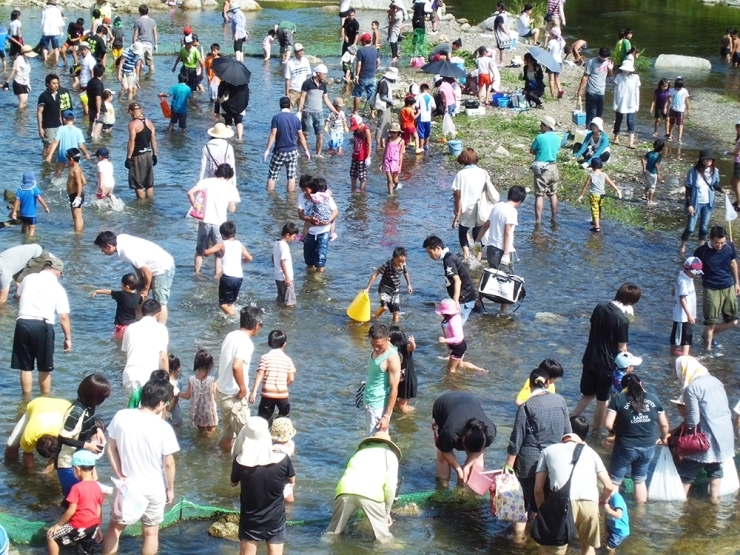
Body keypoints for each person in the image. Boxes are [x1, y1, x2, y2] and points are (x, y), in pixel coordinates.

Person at [100, 380, 179, 555]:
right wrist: (170, 489)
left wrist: (120, 474)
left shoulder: (121, 416)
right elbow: (168, 463)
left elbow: (111, 448)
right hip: (154, 488)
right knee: (151, 532)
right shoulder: (163, 428)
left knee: (115, 528)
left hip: (128, 486)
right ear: (159, 403)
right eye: (166, 402)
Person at [505, 368, 571, 542]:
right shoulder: (561, 401)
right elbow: (568, 434)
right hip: (554, 461)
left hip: (529, 463)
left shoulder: (526, 407)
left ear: (531, 384)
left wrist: (508, 467)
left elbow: (516, 440)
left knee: (522, 504)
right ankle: (540, 538)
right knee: (543, 500)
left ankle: (518, 542)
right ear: (548, 383)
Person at [533, 417, 614, 555]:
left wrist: (544, 512)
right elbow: (609, 486)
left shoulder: (548, 450)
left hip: (562, 502)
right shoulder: (591, 453)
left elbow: (538, 490)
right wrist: (601, 499)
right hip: (590, 502)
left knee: (550, 548)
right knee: (588, 547)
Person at [572, 283, 642, 432]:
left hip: (590, 358)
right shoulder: (622, 320)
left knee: (588, 393)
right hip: (606, 365)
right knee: (602, 401)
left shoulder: (599, 307)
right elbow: (622, 348)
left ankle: (570, 419)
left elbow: (591, 331)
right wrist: (628, 367)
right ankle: (596, 432)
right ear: (631, 302)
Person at [674, 357, 734, 502]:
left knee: (686, 472)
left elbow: (693, 418)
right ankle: (714, 500)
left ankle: (680, 505)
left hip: (705, 439)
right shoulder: (716, 381)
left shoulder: (692, 388)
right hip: (724, 434)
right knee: (715, 469)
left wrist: (682, 431)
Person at [230, 418, 295, 553]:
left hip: (251, 520)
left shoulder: (240, 462)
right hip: (275, 519)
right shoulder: (283, 459)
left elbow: (233, 483)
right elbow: (291, 480)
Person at [605, 372, 669, 503]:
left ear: (623, 387)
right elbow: (664, 424)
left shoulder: (619, 399)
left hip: (625, 446)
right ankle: (640, 514)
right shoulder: (654, 399)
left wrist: (618, 431)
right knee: (640, 481)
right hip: (648, 446)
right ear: (641, 384)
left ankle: (613, 512)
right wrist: (663, 438)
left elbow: (607, 424)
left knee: (615, 482)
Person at [326, 431, 401, 542]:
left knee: (332, 534)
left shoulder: (359, 453)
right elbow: (390, 487)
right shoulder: (390, 455)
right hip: (371, 495)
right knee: (384, 539)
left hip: (345, 491)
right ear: (389, 445)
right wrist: (386, 512)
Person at [11, 256, 71, 395]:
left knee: (25, 367)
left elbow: (18, 296)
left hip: (22, 323)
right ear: (58, 272)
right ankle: (45, 398)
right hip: (42, 325)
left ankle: (25, 400)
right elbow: (63, 317)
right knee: (44, 368)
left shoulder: (29, 278)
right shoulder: (57, 287)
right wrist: (68, 338)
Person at [94, 231, 175, 324]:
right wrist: (140, 278)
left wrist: (146, 288)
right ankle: (136, 322)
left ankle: (161, 329)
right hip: (150, 267)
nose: (102, 252)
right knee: (138, 295)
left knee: (160, 301)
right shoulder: (120, 240)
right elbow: (136, 263)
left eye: (102, 249)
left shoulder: (126, 251)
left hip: (162, 267)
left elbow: (147, 270)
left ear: (109, 246)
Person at [56, 374, 111, 496]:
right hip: (68, 464)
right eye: (102, 398)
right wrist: (87, 445)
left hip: (81, 460)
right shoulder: (76, 412)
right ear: (94, 396)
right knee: (73, 499)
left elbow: (89, 421)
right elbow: (62, 438)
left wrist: (98, 429)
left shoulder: (88, 407)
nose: (102, 401)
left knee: (85, 496)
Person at [217, 306, 262, 450]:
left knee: (228, 435)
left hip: (222, 392)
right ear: (256, 326)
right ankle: (243, 470)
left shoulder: (231, 335)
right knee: (249, 441)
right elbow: (236, 366)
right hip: (234, 397)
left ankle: (220, 462)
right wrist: (243, 388)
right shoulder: (246, 343)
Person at [187, 163, 240, 276]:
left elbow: (190, 192)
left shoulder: (206, 181)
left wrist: (196, 208)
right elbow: (231, 210)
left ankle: (197, 274)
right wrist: (234, 205)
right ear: (228, 176)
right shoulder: (231, 188)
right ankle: (216, 277)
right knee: (220, 253)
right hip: (220, 225)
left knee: (200, 251)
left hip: (204, 221)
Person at [46, 450, 103, 555]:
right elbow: (99, 509)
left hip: (78, 526)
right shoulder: (97, 487)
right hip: (93, 526)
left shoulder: (76, 488)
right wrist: (98, 528)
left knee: (51, 536)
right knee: (85, 551)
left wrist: (58, 525)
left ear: (77, 469)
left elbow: (71, 510)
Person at [476, 185, 527, 302]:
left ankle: (478, 302)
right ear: (520, 201)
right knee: (506, 281)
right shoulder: (512, 211)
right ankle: (502, 311)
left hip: (490, 248)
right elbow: (507, 233)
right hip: (502, 250)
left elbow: (485, 225)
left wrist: (477, 242)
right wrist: (506, 254)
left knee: (493, 277)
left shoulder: (497, 206)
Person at [693, 225, 739, 350]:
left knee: (733, 321)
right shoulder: (701, 251)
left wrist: (737, 282)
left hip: (728, 286)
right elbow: (692, 270)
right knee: (711, 323)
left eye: (722, 243)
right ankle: (707, 349)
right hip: (711, 288)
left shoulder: (729, 246)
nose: (720, 246)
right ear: (710, 239)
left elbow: (733, 263)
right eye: (717, 243)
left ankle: (709, 336)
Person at [452, 147, 499, 261]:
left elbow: (457, 194)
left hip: (466, 208)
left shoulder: (461, 174)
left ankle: (467, 257)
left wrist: (457, 213)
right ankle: (478, 258)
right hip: (481, 208)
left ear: (463, 160)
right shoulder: (483, 172)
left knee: (463, 232)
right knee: (478, 234)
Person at [422, 235, 478, 325]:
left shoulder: (449, 260)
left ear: (438, 248)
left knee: (451, 326)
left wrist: (455, 301)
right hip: (465, 297)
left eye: (430, 252)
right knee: (450, 325)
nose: (430, 255)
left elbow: (457, 281)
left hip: (464, 299)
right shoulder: (448, 257)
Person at [5, 396, 71, 470]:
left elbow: (57, 453)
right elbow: (27, 454)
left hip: (65, 406)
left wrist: (48, 471)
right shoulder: (29, 436)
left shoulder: (65, 435)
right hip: (37, 404)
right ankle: (11, 467)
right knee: (11, 447)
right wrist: (30, 473)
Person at [121, 298, 169, 398]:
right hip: (147, 377)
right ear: (159, 314)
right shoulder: (161, 329)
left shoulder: (130, 327)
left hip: (129, 376)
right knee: (148, 411)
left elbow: (126, 352)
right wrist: (167, 380)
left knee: (132, 410)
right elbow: (163, 357)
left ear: (142, 312)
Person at [679, 150, 724, 256]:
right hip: (695, 203)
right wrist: (689, 204)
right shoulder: (693, 171)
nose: (708, 161)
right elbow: (688, 188)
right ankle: (683, 244)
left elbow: (715, 184)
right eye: (706, 159)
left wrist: (722, 190)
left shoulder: (715, 171)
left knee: (704, 228)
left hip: (708, 203)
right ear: (701, 160)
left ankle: (701, 249)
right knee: (690, 228)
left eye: (710, 159)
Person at [203, 221, 252, 315]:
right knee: (230, 303)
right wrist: (242, 260)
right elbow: (249, 258)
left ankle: (235, 316)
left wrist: (204, 251)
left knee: (222, 304)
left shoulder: (222, 244)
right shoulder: (239, 244)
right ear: (234, 233)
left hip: (228, 278)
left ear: (222, 234)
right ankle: (230, 317)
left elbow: (207, 252)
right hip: (239, 278)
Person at [249, 329, 296, 421]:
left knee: (263, 420)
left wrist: (253, 392)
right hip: (282, 395)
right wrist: (283, 386)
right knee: (284, 420)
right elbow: (291, 378)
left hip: (267, 394)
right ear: (284, 344)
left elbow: (260, 374)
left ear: (269, 343)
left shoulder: (265, 357)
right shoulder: (287, 359)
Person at [362, 324, 401, 435]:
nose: (376, 348)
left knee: (375, 440)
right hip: (369, 401)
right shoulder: (378, 348)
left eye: (379, 345)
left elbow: (394, 389)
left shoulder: (392, 358)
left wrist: (387, 416)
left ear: (388, 340)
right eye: (372, 344)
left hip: (378, 407)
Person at [266, 96, 310, 192]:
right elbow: (301, 137)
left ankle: (269, 197)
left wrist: (267, 150)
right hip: (293, 151)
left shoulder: (276, 118)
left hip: (279, 150)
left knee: (272, 175)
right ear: (290, 106)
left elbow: (273, 134)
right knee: (291, 176)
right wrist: (306, 150)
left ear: (280, 106)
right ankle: (290, 199)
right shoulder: (296, 119)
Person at [297, 178, 339, 272]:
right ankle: (310, 280)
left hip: (323, 231)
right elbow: (300, 215)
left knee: (321, 258)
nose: (304, 192)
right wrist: (310, 220)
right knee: (309, 261)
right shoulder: (301, 197)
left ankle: (319, 280)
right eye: (302, 190)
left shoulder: (324, 197)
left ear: (313, 188)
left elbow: (335, 212)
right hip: (310, 232)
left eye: (306, 190)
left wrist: (328, 221)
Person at [297, 64, 339, 157]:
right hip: (307, 112)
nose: (325, 76)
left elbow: (326, 99)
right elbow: (302, 97)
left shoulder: (323, 85)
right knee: (305, 135)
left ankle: (318, 155)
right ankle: (299, 150)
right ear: (318, 73)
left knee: (320, 135)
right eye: (324, 74)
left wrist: (334, 111)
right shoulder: (307, 83)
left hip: (319, 113)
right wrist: (300, 111)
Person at [365, 247, 413, 323]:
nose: (400, 264)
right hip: (384, 289)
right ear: (393, 258)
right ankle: (374, 317)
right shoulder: (386, 265)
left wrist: (409, 285)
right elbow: (375, 274)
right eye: (398, 261)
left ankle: (395, 327)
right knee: (384, 307)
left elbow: (406, 273)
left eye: (403, 261)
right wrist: (368, 288)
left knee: (396, 312)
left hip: (395, 291)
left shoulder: (403, 264)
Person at [436, 299, 485, 372]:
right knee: (460, 365)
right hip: (462, 345)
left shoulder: (453, 323)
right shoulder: (456, 315)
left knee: (451, 369)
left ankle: (453, 383)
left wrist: (445, 340)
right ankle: (479, 370)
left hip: (457, 348)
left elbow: (457, 338)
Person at [90, 273, 141, 339]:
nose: (121, 286)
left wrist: (97, 291)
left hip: (121, 326)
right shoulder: (138, 297)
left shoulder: (122, 295)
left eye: (122, 284)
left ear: (127, 287)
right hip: (132, 325)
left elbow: (109, 292)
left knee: (118, 344)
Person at [577, 157, 622, 233]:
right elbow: (611, 182)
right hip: (602, 195)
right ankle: (595, 221)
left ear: (592, 167)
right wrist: (618, 190)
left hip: (594, 195)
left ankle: (597, 226)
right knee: (599, 208)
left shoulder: (591, 175)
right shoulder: (604, 174)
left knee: (595, 210)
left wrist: (581, 195)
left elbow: (585, 186)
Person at [178, 349, 218, 433]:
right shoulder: (213, 380)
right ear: (210, 366)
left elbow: (187, 396)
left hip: (198, 412)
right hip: (210, 412)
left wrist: (177, 393)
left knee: (201, 434)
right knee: (212, 434)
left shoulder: (191, 379)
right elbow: (216, 396)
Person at [530, 115, 561, 224]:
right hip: (553, 167)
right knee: (553, 194)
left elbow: (532, 151)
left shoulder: (539, 138)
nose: (540, 126)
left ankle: (538, 221)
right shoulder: (558, 138)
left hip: (542, 169)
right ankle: (554, 218)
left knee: (539, 195)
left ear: (547, 126)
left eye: (542, 124)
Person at [125, 101, 158, 199]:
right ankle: (150, 203)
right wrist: (155, 155)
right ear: (141, 110)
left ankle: (142, 205)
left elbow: (132, 142)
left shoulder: (133, 124)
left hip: (137, 156)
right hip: (148, 154)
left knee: (137, 183)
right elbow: (153, 140)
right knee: (149, 183)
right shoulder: (150, 123)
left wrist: (128, 157)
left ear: (131, 112)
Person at [37, 73, 73, 160]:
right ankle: (45, 166)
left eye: (57, 83)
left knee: (58, 146)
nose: (56, 85)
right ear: (48, 84)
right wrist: (40, 128)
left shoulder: (57, 95)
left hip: (58, 125)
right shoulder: (43, 96)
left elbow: (59, 109)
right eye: (53, 83)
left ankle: (53, 164)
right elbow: (39, 112)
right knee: (48, 147)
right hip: (48, 126)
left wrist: (61, 120)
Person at [671, 257, 702, 356]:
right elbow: (682, 299)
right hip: (682, 316)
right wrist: (689, 315)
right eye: (694, 272)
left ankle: (682, 354)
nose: (695, 274)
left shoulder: (688, 277)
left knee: (687, 336)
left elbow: (674, 290)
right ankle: (681, 356)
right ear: (686, 269)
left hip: (688, 315)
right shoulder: (683, 281)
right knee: (681, 338)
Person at [576, 47, 612, 125]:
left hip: (601, 92)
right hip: (591, 91)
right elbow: (585, 76)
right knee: (591, 114)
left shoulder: (608, 63)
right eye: (601, 57)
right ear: (598, 54)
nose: (602, 59)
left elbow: (608, 76)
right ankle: (589, 131)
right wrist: (580, 89)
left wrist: (610, 69)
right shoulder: (591, 62)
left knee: (599, 116)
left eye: (604, 58)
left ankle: (596, 134)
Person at [612, 59, 640, 148]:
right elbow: (615, 91)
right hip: (620, 102)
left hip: (631, 102)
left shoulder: (636, 77)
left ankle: (631, 142)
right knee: (618, 120)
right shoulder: (619, 77)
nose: (625, 71)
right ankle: (616, 137)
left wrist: (637, 104)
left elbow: (637, 91)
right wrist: (614, 103)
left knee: (630, 121)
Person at [12, 173, 50, 238]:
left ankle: (23, 236)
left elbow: (17, 201)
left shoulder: (20, 189)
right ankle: (29, 239)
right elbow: (40, 198)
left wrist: (14, 211)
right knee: (32, 227)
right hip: (31, 214)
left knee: (24, 224)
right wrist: (46, 207)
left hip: (23, 213)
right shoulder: (34, 189)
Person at [389, 325, 416, 413]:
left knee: (402, 406)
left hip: (407, 380)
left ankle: (409, 417)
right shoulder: (391, 349)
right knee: (393, 402)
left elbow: (411, 348)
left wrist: (412, 343)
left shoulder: (405, 347)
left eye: (389, 337)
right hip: (398, 379)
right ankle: (409, 410)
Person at [3, 44, 37, 109]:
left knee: (25, 101)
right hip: (18, 82)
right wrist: (7, 83)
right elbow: (13, 72)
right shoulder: (18, 60)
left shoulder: (26, 59)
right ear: (24, 53)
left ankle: (24, 116)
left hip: (25, 82)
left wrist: (28, 84)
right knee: (22, 101)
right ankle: (20, 117)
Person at [353, 33, 380, 113]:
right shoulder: (375, 49)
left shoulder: (360, 51)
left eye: (362, 41)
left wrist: (357, 76)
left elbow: (359, 64)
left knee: (358, 94)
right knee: (371, 94)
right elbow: (378, 62)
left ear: (364, 41)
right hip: (372, 76)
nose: (361, 42)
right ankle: (372, 113)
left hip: (363, 77)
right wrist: (374, 69)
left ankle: (356, 111)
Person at [273, 222, 298, 307]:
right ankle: (288, 318)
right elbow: (282, 261)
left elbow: (273, 257)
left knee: (281, 299)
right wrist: (287, 277)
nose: (294, 239)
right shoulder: (284, 246)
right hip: (285, 278)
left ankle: (279, 314)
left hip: (278, 276)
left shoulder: (276, 243)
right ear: (288, 235)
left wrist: (276, 268)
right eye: (294, 237)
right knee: (290, 303)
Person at [374, 67, 398, 150]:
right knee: (381, 125)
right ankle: (379, 145)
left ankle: (382, 144)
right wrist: (391, 101)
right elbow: (383, 96)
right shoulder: (384, 83)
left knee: (384, 124)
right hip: (383, 107)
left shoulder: (384, 81)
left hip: (384, 107)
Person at [64, 148, 86, 232]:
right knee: (77, 217)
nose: (66, 160)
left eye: (67, 158)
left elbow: (80, 184)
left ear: (71, 159)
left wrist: (78, 197)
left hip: (75, 196)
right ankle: (80, 231)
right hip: (74, 194)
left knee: (76, 217)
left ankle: (77, 234)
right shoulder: (75, 167)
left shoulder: (75, 170)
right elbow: (84, 181)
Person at [349, 114, 372, 192]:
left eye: (356, 126)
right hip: (355, 155)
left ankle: (362, 191)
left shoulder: (366, 130)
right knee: (353, 174)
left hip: (362, 156)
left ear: (360, 123)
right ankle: (353, 189)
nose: (356, 129)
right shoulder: (355, 129)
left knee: (362, 176)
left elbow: (369, 144)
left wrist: (368, 157)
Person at [132, 4, 158, 73]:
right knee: (151, 63)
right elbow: (155, 33)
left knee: (139, 64)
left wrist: (133, 44)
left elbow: (135, 34)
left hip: (140, 45)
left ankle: (139, 79)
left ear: (140, 12)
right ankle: (151, 79)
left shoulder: (138, 21)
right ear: (148, 12)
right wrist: (156, 44)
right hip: (149, 45)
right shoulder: (153, 21)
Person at [284, 43, 311, 108]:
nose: (301, 52)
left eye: (302, 50)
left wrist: (308, 89)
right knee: (288, 109)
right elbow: (288, 79)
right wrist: (287, 94)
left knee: (302, 111)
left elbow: (307, 76)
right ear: (295, 52)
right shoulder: (290, 63)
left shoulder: (306, 60)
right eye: (299, 51)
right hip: (293, 90)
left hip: (303, 90)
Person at [382, 123, 405, 194]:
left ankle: (397, 185)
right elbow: (385, 151)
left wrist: (400, 166)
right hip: (387, 161)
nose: (393, 134)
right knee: (389, 180)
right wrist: (382, 163)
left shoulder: (401, 141)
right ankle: (390, 195)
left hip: (395, 162)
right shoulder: (388, 139)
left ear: (398, 133)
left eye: (394, 133)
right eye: (391, 132)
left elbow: (401, 154)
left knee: (395, 180)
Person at [604, 490, 629, 554]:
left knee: (610, 548)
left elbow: (619, 515)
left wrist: (609, 510)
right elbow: (606, 516)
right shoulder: (608, 498)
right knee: (607, 543)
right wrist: (605, 530)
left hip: (619, 531)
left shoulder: (617, 498)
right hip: (612, 528)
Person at [40, 0, 64, 64]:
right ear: (54, 4)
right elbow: (59, 22)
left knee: (45, 47)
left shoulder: (44, 11)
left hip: (45, 31)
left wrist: (42, 31)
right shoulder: (57, 10)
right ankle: (56, 60)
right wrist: (61, 31)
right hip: (55, 31)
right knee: (56, 47)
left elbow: (42, 22)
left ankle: (45, 59)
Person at [667, 77, 689, 143]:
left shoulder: (684, 91)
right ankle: (670, 135)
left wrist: (688, 109)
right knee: (671, 123)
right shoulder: (672, 90)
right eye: (677, 87)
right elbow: (668, 97)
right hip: (673, 109)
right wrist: (668, 104)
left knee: (680, 124)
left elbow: (687, 100)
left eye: (680, 87)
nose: (678, 89)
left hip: (681, 110)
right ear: (675, 86)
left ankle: (679, 138)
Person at [641, 139, 664, 204]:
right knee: (652, 186)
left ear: (653, 146)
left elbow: (642, 159)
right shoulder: (659, 155)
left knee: (648, 183)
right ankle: (650, 201)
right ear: (662, 148)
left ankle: (644, 194)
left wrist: (644, 168)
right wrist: (658, 173)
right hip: (653, 173)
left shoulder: (649, 153)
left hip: (647, 171)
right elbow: (656, 164)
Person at [415, 83, 436, 151]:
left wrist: (417, 111)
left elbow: (416, 106)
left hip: (421, 117)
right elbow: (434, 107)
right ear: (427, 89)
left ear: (422, 88)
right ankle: (426, 145)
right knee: (427, 131)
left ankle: (421, 147)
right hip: (428, 118)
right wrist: (430, 111)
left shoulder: (419, 96)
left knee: (421, 132)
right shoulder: (431, 97)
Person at [546, 27, 565, 99]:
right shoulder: (561, 42)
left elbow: (548, 52)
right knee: (557, 78)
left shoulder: (552, 42)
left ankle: (552, 96)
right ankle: (560, 90)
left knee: (551, 80)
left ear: (553, 34)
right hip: (559, 62)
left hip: (552, 61)